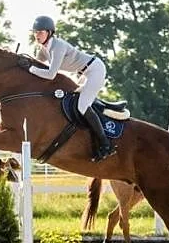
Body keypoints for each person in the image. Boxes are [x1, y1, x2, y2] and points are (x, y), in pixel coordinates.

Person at [22, 15, 115, 161]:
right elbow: (36, 62)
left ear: (49, 33)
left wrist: (30, 69)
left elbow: (51, 74)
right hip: (83, 74)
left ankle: (105, 143)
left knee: (82, 106)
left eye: (40, 32)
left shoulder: (57, 46)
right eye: (35, 32)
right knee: (76, 103)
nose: (37, 35)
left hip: (94, 70)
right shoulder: (44, 48)